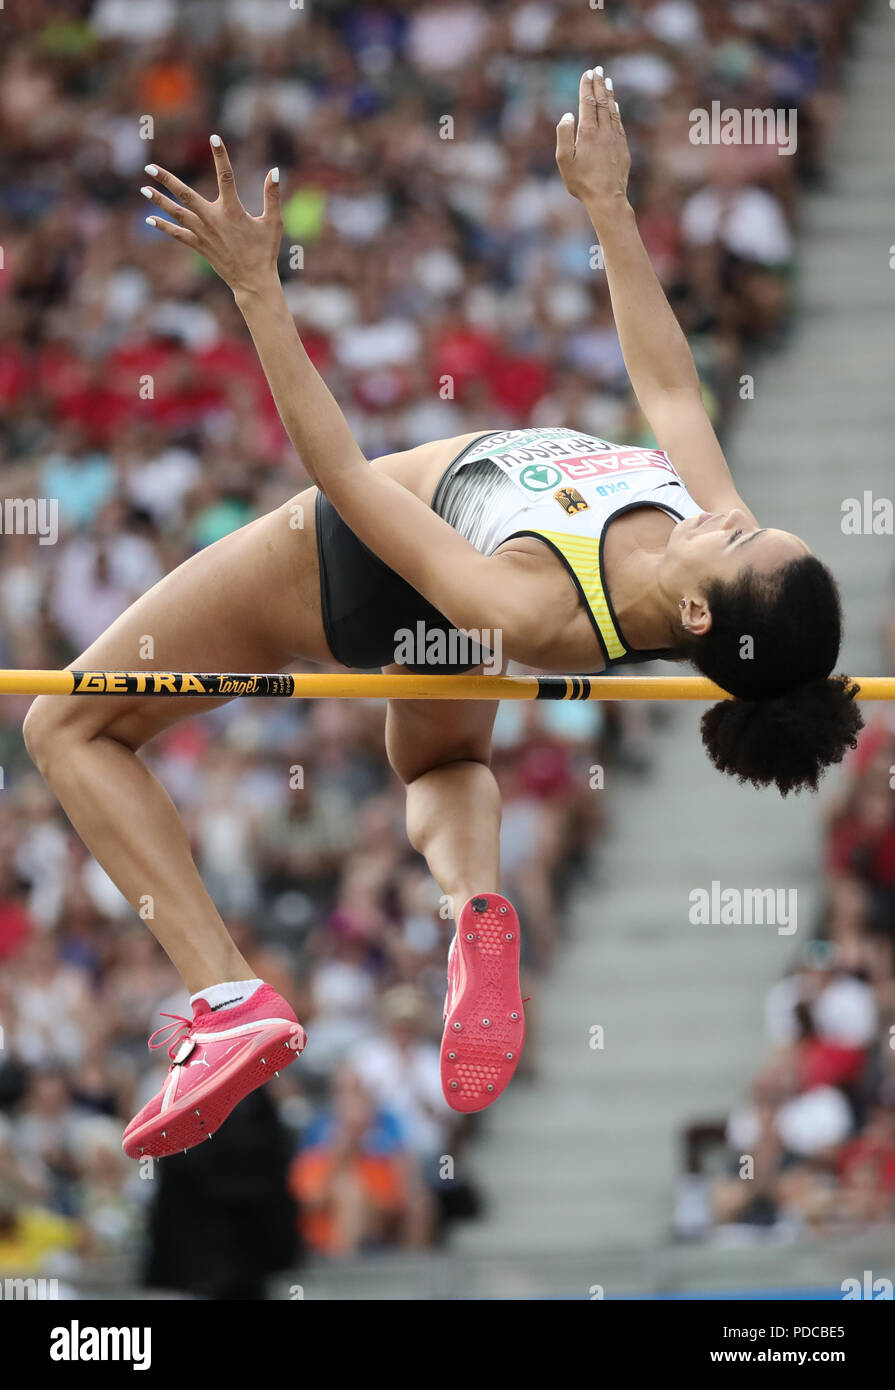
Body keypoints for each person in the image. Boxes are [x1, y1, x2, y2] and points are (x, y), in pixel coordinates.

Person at [23, 71, 862, 1159]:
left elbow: (351, 487)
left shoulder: (536, 604)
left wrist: (257, 294)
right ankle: (474, 906)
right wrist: (609, 206)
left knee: (67, 723)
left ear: (702, 605)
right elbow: (664, 386)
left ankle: (227, 995)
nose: (738, 516)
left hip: (349, 566)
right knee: (437, 766)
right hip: (452, 634)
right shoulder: (701, 533)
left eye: (745, 538)